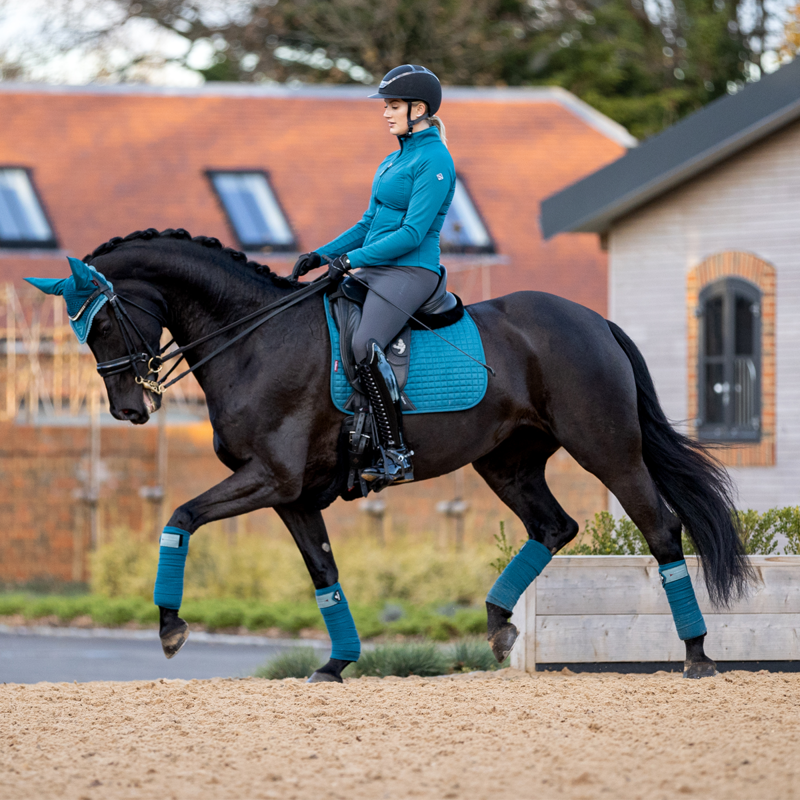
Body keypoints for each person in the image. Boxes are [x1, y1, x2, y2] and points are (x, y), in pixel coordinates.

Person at [293, 65, 456, 488]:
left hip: (411, 269)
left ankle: (396, 453)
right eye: (385, 105)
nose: (385, 113)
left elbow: (412, 233)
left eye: (393, 105)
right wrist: (322, 254)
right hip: (377, 265)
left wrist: (351, 261)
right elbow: (369, 222)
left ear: (418, 109)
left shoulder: (435, 159)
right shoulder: (394, 158)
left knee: (366, 343)